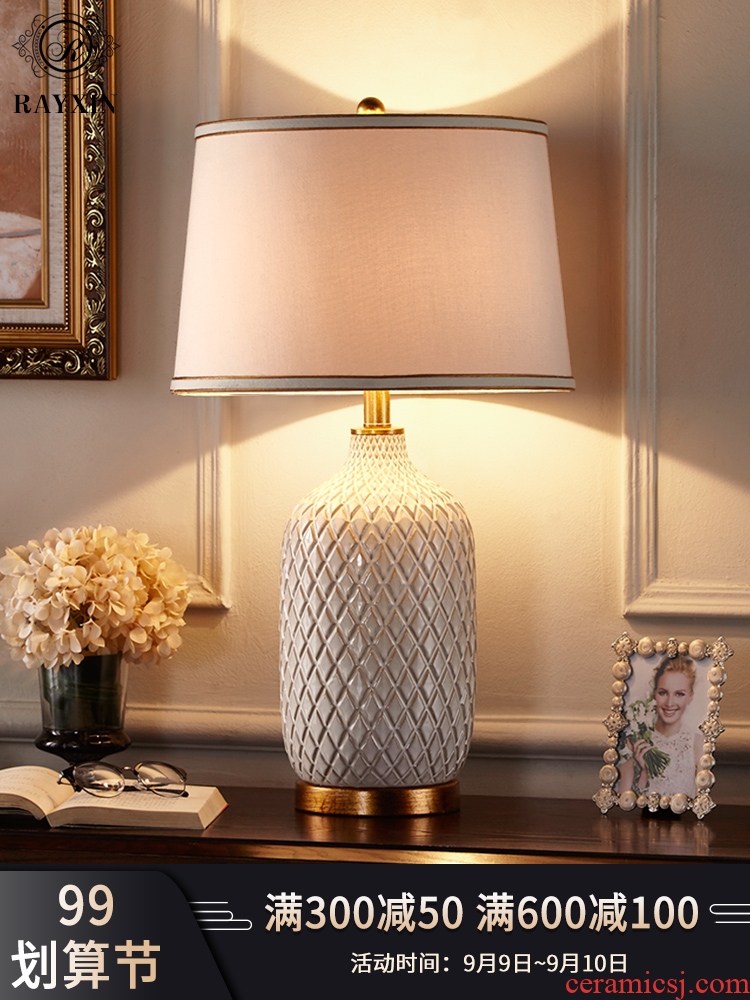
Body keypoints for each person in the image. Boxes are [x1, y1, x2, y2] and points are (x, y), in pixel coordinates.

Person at [619, 655, 703, 798]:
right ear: (654, 694)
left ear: (690, 697)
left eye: (679, 694)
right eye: (663, 693)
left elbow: (699, 802)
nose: (669, 703)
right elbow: (623, 800)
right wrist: (644, 773)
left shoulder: (698, 744)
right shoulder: (636, 741)